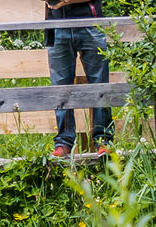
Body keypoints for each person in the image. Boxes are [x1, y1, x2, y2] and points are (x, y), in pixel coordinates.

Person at [47, 0, 112, 158]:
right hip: (56, 25)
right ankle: (63, 142)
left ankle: (103, 141)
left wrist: (62, 2)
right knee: (61, 89)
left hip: (90, 23)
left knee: (99, 86)